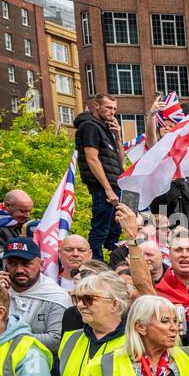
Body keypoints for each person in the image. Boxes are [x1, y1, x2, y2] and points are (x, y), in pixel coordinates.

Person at [0, 238, 72, 354]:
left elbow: (56, 340)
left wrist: (6, 339)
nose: (19, 269)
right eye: (12, 264)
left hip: (41, 366)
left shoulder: (56, 296)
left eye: (26, 263)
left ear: (41, 264)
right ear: (5, 266)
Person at [75, 94, 127, 260]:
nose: (112, 112)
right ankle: (96, 265)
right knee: (100, 230)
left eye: (114, 109)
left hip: (114, 185)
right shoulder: (90, 126)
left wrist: (118, 136)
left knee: (115, 230)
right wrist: (107, 189)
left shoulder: (106, 129)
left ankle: (112, 262)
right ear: (96, 106)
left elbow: (120, 161)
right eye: (108, 107)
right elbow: (92, 159)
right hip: (103, 188)